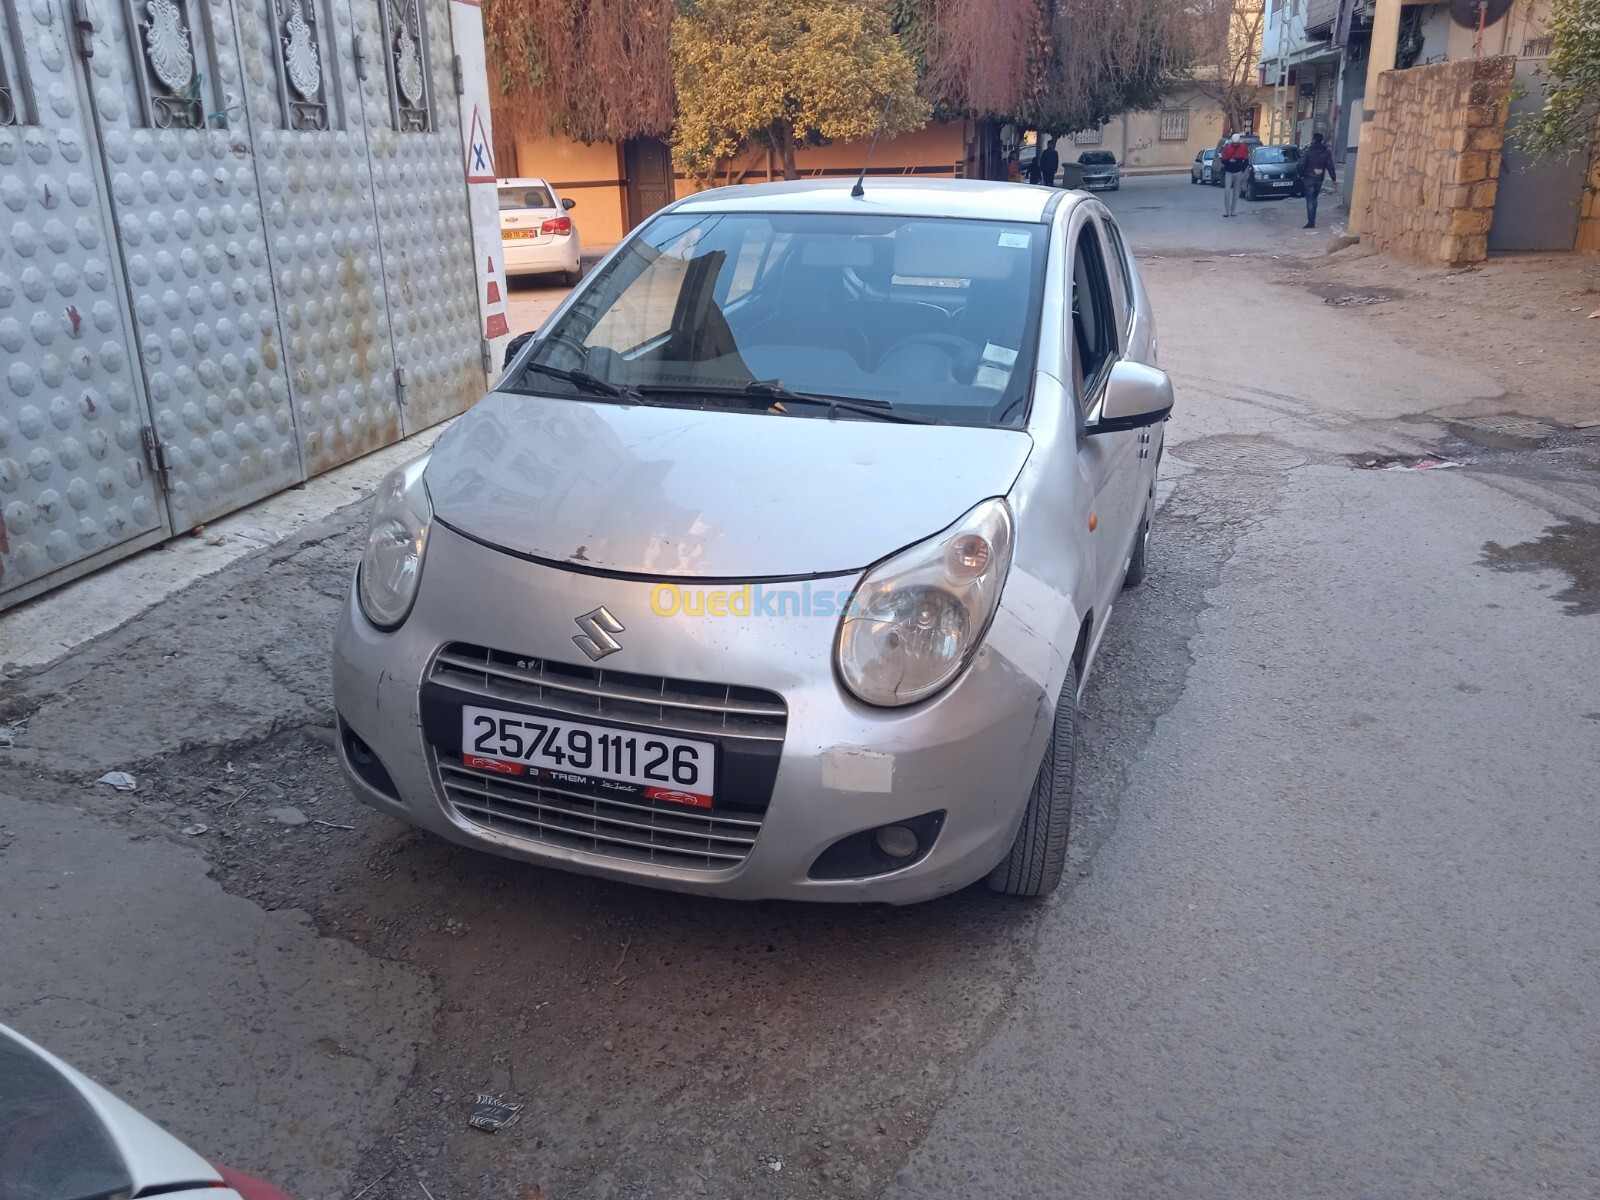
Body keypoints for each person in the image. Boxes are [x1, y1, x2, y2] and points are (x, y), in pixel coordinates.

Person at [1298, 131, 1337, 228]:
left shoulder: (1308, 151)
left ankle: (1311, 222)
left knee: (1310, 199)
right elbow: (1330, 166)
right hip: (1320, 178)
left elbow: (1299, 164)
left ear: (1313, 140)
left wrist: (1301, 174)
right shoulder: (1326, 152)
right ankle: (1312, 219)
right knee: (1314, 198)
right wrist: (1333, 179)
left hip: (1309, 177)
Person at [1220, 133, 1249, 216]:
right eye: (1234, 143)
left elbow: (1246, 161)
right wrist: (1229, 161)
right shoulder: (1227, 148)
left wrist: (1242, 170)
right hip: (1229, 172)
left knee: (1236, 193)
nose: (1235, 144)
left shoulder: (1243, 148)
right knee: (1227, 191)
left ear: (1239, 141)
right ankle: (1226, 210)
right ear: (1232, 141)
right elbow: (1223, 161)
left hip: (1238, 172)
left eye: (1236, 143)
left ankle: (1232, 210)